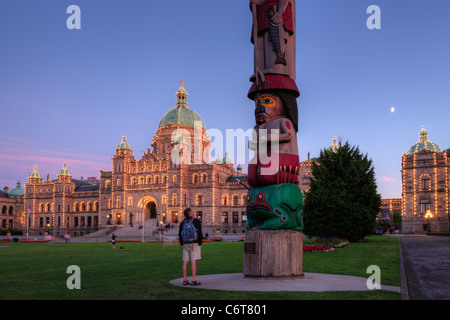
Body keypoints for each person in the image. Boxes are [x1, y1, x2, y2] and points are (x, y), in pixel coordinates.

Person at [178, 207, 203, 286]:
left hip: (185, 244)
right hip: (194, 243)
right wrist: (200, 242)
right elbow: (199, 232)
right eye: (192, 211)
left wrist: (182, 243)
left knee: (185, 261)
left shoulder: (182, 222)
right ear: (190, 213)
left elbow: (180, 234)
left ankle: (185, 280)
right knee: (193, 261)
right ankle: (193, 280)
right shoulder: (196, 221)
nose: (193, 211)